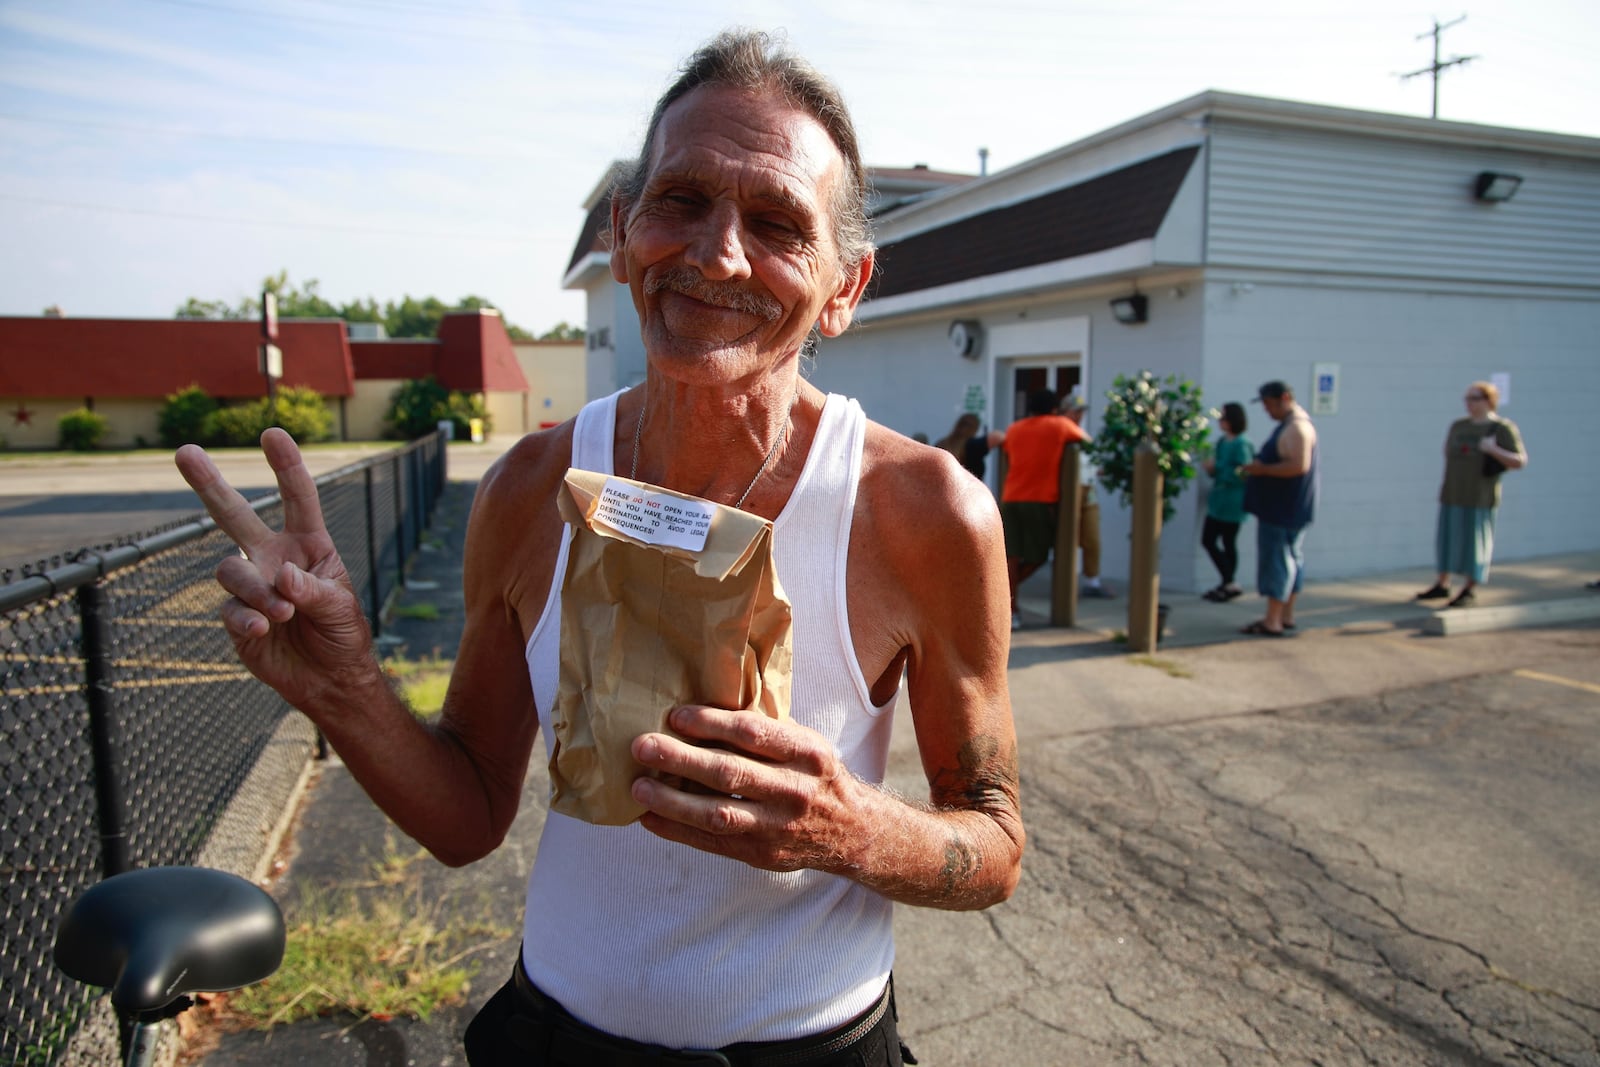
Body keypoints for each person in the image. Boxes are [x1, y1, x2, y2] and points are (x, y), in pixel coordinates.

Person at [175, 29, 1021, 1067]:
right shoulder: (530, 489)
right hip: (556, 1037)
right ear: (623, 234)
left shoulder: (922, 512)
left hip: (817, 1045)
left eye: (775, 223)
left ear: (844, 287)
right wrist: (345, 686)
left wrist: (852, 829)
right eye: (680, 200)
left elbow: (993, 841)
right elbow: (470, 813)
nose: (714, 253)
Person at [1414, 380, 1527, 609]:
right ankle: (1442, 583)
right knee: (1447, 540)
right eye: (1467, 399)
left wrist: (1493, 450)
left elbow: (1519, 461)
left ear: (1488, 401)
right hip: (1453, 492)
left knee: (1475, 544)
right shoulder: (1459, 426)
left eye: (1474, 398)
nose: (1469, 404)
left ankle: (1470, 588)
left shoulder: (1501, 428)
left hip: (1480, 497)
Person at [998, 387, 1089, 629]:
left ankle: (1009, 607)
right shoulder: (1059, 424)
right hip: (1040, 499)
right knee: (1038, 556)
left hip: (1010, 497)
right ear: (1054, 408)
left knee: (1011, 559)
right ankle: (1004, 597)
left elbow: (1007, 451)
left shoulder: (1014, 429)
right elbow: (1086, 441)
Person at [1239, 381, 1318, 637]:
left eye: (1269, 404)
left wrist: (1262, 470)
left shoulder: (1296, 428)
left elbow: (1297, 465)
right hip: (1288, 507)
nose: (1267, 410)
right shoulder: (1294, 425)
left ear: (1284, 398)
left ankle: (1273, 620)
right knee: (1291, 558)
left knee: (1278, 560)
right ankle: (1285, 615)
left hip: (1283, 508)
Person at [1059, 394, 1113, 598]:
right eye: (1075, 411)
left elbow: (1092, 464)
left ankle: (1092, 581)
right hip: (1069, 490)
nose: (1079, 415)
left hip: (1088, 490)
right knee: (1068, 538)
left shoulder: (1082, 435)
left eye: (1081, 411)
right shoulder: (1062, 432)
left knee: (1092, 538)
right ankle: (1066, 584)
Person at [1199, 401, 1255, 601]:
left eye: (1223, 418)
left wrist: (1221, 470)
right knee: (1209, 540)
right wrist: (1211, 469)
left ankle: (1229, 582)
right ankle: (1227, 581)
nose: (1220, 422)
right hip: (1219, 499)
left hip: (1233, 500)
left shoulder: (1242, 444)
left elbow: (1244, 472)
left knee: (1228, 541)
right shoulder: (1223, 442)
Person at [934, 411, 1002, 481]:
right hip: (970, 489)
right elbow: (998, 437)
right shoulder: (972, 446)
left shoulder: (941, 444)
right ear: (975, 428)